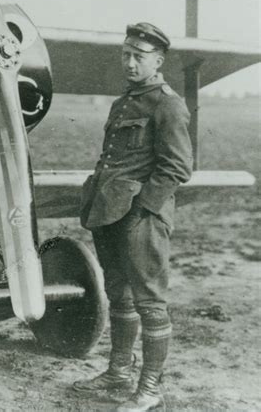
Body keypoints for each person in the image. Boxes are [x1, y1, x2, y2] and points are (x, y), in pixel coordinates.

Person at [73, 23, 193, 412]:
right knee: (118, 295)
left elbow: (177, 167)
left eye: (138, 57)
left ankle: (150, 389)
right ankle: (118, 373)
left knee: (149, 303)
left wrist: (143, 209)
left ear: (158, 61)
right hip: (109, 211)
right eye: (126, 54)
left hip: (142, 217)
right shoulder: (123, 102)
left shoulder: (167, 104)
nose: (129, 62)